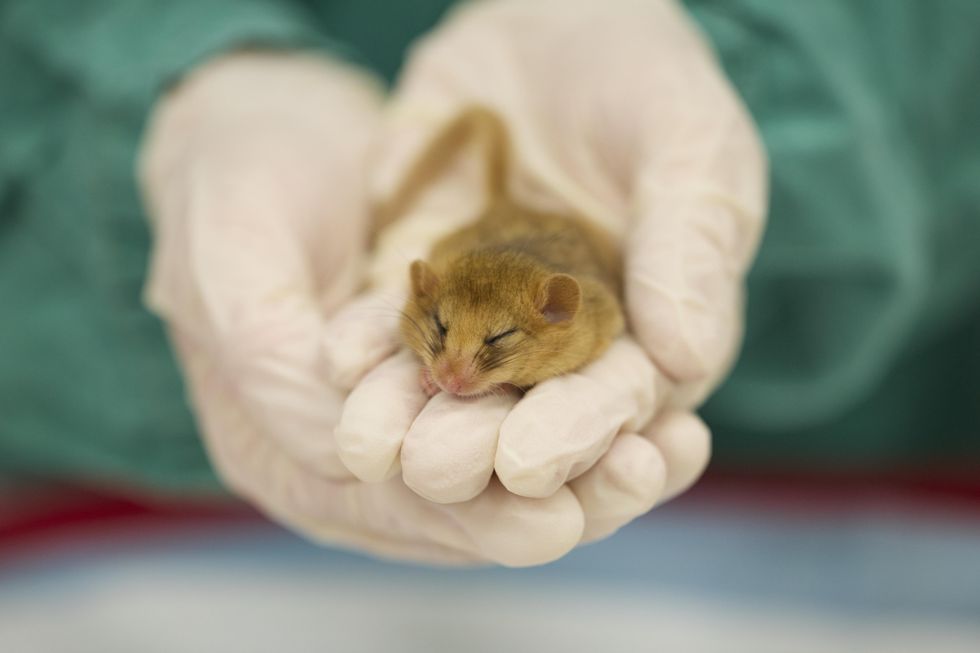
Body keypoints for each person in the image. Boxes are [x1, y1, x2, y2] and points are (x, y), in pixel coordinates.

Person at [2, 0, 978, 565]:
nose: (450, 372)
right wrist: (186, 81)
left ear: (555, 317)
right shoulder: (454, 289)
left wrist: (745, 54)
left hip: (866, 466)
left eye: (493, 350)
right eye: (437, 340)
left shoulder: (577, 311)